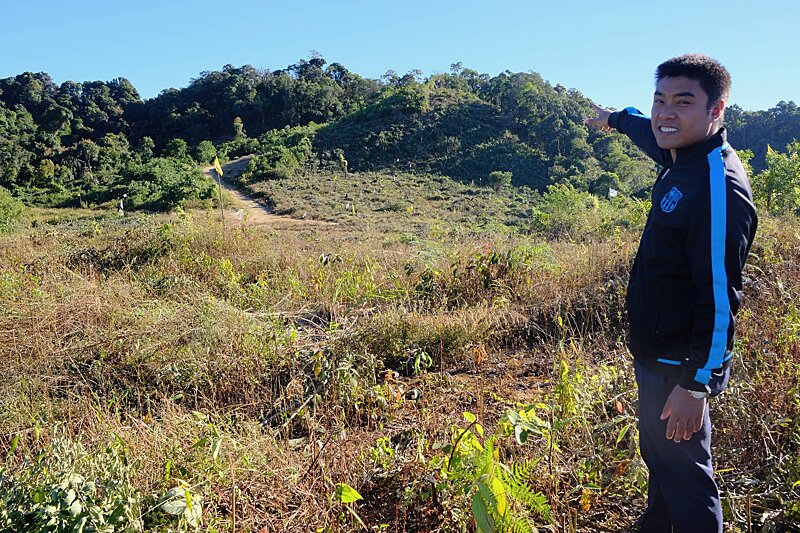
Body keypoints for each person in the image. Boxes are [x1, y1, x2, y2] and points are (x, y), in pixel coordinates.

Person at [584, 54, 758, 532]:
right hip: (656, 351)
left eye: (683, 102)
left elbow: (721, 302)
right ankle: (657, 524)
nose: (666, 112)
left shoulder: (717, 187)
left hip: (680, 365)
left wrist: (696, 384)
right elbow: (649, 130)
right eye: (660, 99)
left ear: (716, 109)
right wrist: (616, 120)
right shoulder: (681, 154)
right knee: (660, 455)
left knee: (687, 476)